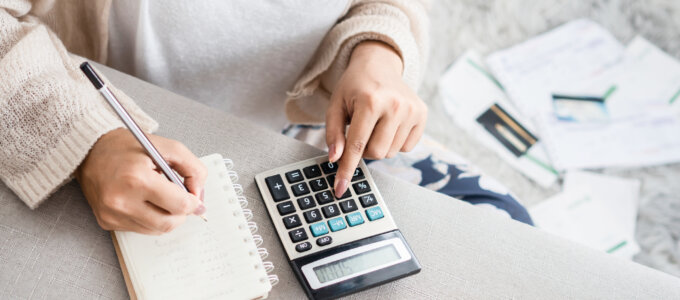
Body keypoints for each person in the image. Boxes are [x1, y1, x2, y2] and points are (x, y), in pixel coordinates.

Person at [0, 0, 531, 236]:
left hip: (297, 123)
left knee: (503, 225)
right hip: (86, 116)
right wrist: (86, 141)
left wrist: (380, 53)